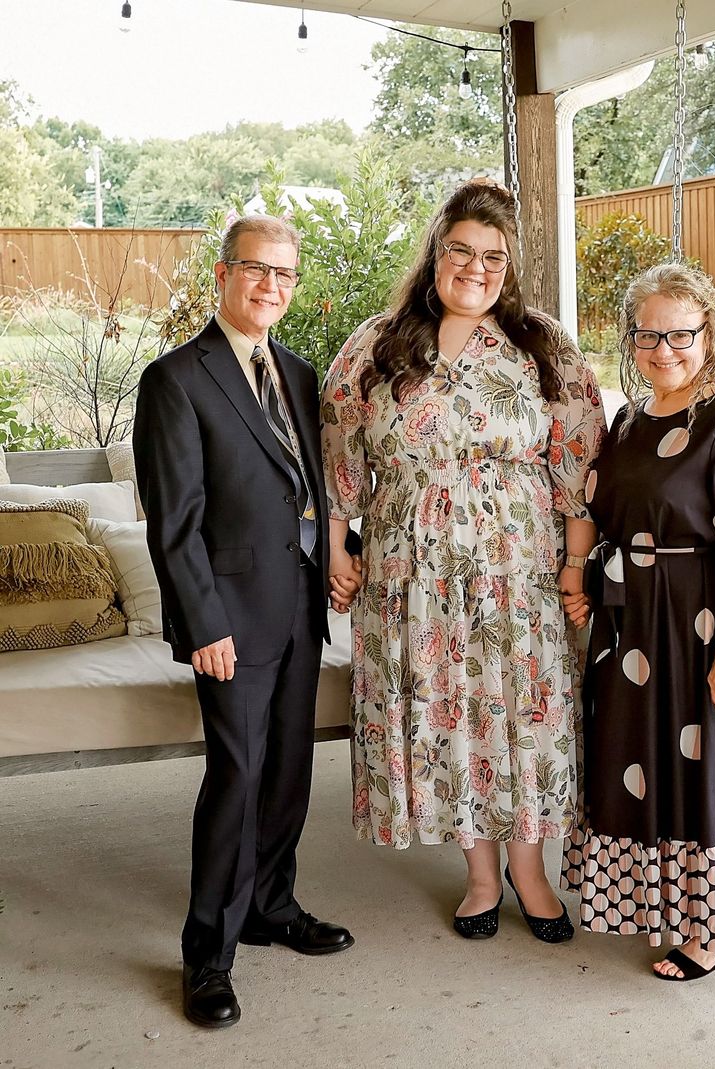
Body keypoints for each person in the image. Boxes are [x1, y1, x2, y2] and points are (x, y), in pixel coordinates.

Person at [320, 180, 605, 942]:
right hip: (409, 574)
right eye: (461, 251)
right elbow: (341, 445)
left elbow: (577, 459)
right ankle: (480, 877)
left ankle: (531, 871)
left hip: (518, 571)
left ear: (509, 265)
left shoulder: (542, 345)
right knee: (448, 715)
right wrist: (338, 545)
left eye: (493, 257)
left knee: (522, 713)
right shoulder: (379, 344)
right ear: (435, 253)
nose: (476, 269)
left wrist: (576, 568)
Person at [133, 216, 359, 1029]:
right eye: (257, 270)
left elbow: (315, 488)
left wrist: (341, 550)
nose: (271, 286)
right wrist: (204, 623)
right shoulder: (176, 379)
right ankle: (207, 956)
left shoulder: (298, 374)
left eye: (285, 275)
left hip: (299, 608)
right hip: (229, 619)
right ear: (224, 274)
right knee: (236, 776)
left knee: (289, 768)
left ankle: (271, 904)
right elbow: (174, 521)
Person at [560, 262, 715, 981]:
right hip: (631, 627)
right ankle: (668, 904)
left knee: (707, 764)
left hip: (701, 621)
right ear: (630, 338)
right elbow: (598, 511)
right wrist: (584, 579)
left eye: (681, 334)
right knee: (641, 759)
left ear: (709, 334)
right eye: (648, 334)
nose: (664, 349)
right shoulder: (630, 420)